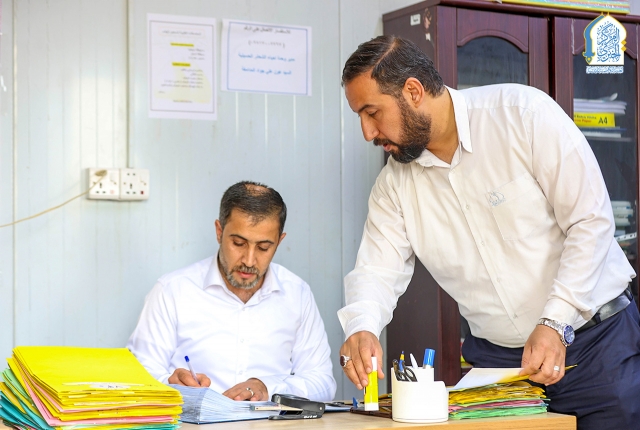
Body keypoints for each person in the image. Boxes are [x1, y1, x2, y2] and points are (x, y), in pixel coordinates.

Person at [337, 35, 639, 429]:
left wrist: (555, 321)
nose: (367, 132)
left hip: (596, 348)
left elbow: (590, 222)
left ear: (413, 91)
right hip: (501, 370)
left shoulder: (522, 116)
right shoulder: (393, 187)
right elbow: (376, 271)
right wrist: (361, 326)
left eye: (372, 112)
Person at [128, 181, 336, 402]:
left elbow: (323, 384)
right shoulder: (172, 291)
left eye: (264, 248)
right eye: (238, 243)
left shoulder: (297, 294)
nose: (249, 260)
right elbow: (136, 378)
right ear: (219, 232)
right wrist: (169, 383)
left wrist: (268, 387)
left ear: (279, 241)